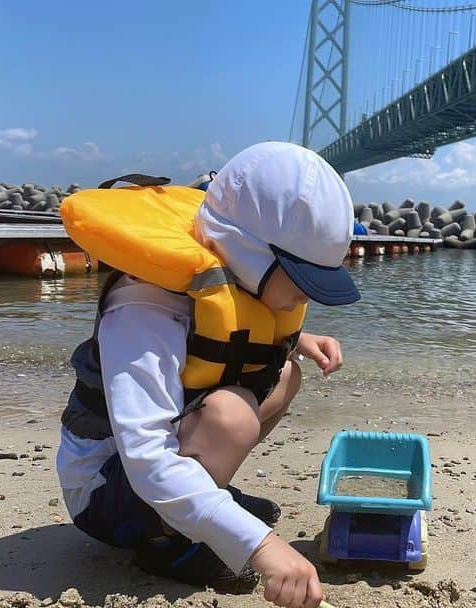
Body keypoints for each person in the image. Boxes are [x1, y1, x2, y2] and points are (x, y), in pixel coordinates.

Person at [56, 141, 360, 608]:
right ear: (248, 251)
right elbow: (147, 459)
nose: (306, 299)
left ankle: (199, 504)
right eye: (301, 284)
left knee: (284, 376)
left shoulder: (232, 268)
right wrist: (262, 547)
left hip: (142, 464)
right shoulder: (143, 306)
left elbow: (229, 337)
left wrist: (299, 338)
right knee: (231, 416)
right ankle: (165, 542)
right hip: (104, 488)